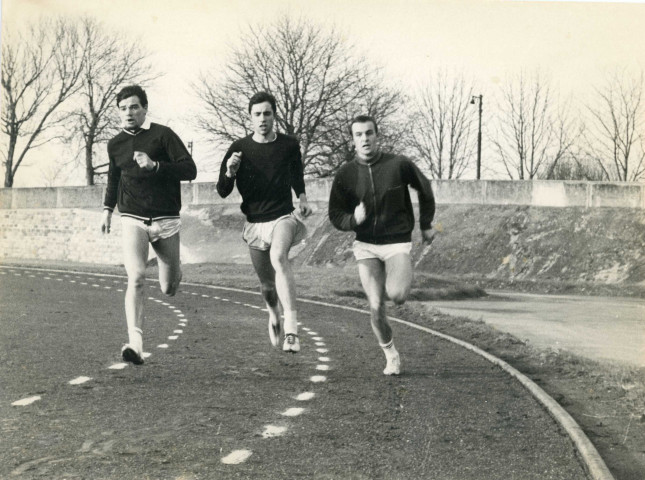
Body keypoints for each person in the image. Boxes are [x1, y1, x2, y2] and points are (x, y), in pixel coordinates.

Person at [328, 115, 435, 375]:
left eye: (369, 133)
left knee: (397, 296)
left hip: (396, 242)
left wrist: (426, 223)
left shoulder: (398, 164)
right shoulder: (346, 173)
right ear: (353, 139)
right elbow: (335, 213)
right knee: (375, 307)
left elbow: (425, 187)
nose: (364, 139)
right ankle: (391, 355)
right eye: (359, 135)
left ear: (377, 135)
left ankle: (397, 278)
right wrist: (354, 219)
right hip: (366, 245)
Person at [101, 85, 197, 365]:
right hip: (132, 217)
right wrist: (107, 210)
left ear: (144, 109)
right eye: (123, 108)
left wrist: (156, 166)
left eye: (134, 107)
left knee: (169, 287)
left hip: (166, 219)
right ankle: (136, 343)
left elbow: (189, 169)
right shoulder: (115, 144)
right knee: (137, 277)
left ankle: (173, 269)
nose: (128, 113)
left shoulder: (163, 135)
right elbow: (113, 178)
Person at [217, 92, 312, 353]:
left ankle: (292, 330)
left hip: (283, 216)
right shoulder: (239, 148)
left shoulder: (289, 145)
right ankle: (274, 314)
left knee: (279, 256)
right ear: (250, 118)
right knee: (267, 287)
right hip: (255, 223)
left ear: (274, 116)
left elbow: (297, 173)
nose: (262, 119)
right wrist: (230, 171)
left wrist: (302, 198)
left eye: (267, 113)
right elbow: (222, 190)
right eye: (257, 114)